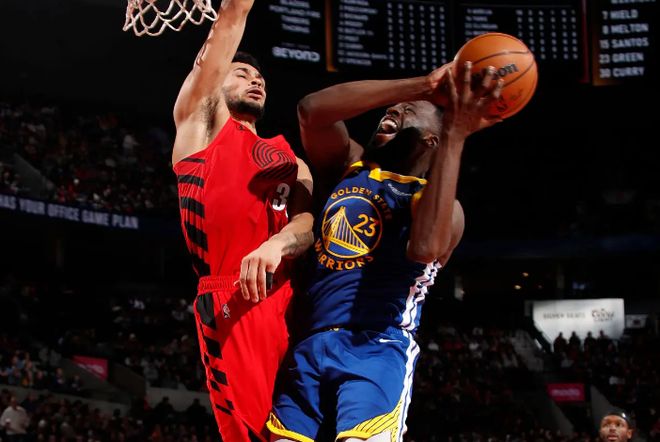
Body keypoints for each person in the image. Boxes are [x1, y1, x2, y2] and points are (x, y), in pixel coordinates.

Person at [267, 62, 503, 441]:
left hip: (375, 345)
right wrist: (421, 86)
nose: (394, 109)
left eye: (410, 111)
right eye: (394, 107)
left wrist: (456, 133)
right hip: (309, 342)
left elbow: (425, 248)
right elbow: (311, 111)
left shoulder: (436, 203)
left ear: (432, 140)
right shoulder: (349, 165)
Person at [171, 0, 314, 440]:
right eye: (241, 73)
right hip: (231, 297)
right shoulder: (201, 129)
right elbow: (232, 15)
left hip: (291, 301)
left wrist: (278, 243)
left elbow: (307, 224)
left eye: (260, 78)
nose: (255, 79)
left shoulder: (293, 160)